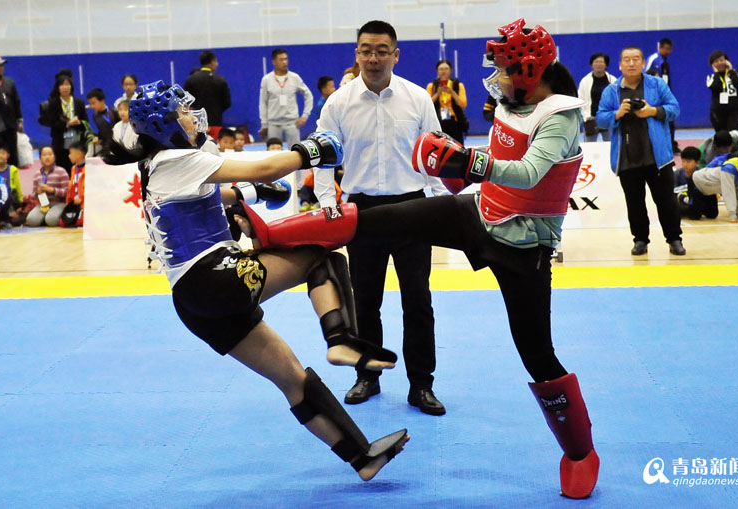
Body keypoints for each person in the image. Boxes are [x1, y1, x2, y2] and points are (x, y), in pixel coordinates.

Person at [253, 18, 599, 499]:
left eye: (504, 69)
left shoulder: (561, 115)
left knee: (536, 353)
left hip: (524, 247)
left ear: (528, 71)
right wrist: (459, 167)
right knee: (378, 221)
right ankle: (271, 232)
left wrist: (464, 162)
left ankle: (580, 452)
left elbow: (528, 172)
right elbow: (494, 159)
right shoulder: (512, 102)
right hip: (479, 212)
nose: (497, 78)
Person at [102, 79, 408, 481]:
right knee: (320, 255)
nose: (192, 117)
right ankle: (340, 340)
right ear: (165, 125)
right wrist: (309, 151)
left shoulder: (156, 165)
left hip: (193, 302)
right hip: (214, 277)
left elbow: (210, 195)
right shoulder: (178, 158)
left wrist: (251, 193)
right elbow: (266, 165)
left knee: (292, 378)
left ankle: (362, 459)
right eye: (182, 113)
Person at [314, 20, 449, 416]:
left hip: (412, 208)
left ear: (395, 55)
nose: (373, 58)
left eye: (381, 51)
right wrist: (327, 202)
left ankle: (421, 385)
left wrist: (442, 205)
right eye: (366, 50)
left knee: (418, 302)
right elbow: (321, 157)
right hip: (363, 212)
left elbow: (436, 154)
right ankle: (367, 376)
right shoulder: (338, 103)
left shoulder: (417, 98)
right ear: (356, 53)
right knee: (365, 302)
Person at [596, 46, 684, 256]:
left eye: (636, 59)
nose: (631, 63)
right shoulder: (611, 91)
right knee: (634, 204)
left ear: (643, 63)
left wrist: (653, 111)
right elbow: (600, 118)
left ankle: (674, 239)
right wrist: (617, 114)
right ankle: (640, 240)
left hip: (658, 158)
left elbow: (675, 109)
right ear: (620, 65)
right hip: (627, 158)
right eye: (626, 60)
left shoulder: (657, 84)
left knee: (667, 202)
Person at [258, 48, 313, 148]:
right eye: (281, 59)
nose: (284, 62)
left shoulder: (294, 77)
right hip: (273, 123)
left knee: (296, 150)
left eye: (286, 59)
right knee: (273, 152)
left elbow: (308, 95)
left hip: (292, 123)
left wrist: (305, 115)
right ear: (274, 62)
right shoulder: (266, 79)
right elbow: (263, 103)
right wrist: (264, 124)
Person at [691, 149, 738, 222]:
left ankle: (698, 205)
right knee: (695, 216)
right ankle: (685, 200)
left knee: (712, 215)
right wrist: (732, 215)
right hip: (696, 183)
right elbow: (728, 192)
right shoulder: (729, 168)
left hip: (709, 191)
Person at [40, 73, 90, 172]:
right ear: (58, 87)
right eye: (62, 85)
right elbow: (52, 123)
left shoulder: (79, 103)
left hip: (76, 142)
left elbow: (86, 123)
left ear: (71, 86)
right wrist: (68, 124)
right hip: (60, 142)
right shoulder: (53, 103)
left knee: (78, 169)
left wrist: (78, 122)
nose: (65, 87)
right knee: (62, 169)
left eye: (67, 84)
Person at [184, 50, 232, 141]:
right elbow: (227, 103)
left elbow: (185, 102)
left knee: (197, 147)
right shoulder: (220, 80)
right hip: (215, 122)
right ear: (212, 62)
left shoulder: (191, 79)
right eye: (216, 61)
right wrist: (216, 111)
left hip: (195, 123)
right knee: (214, 146)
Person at [0, 56, 23, 167]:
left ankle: (13, 176)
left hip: (10, 126)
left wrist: (20, 120)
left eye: (2, 65)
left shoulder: (9, 82)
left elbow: (16, 102)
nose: (2, 67)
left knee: (12, 155)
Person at [645, 38, 678, 153]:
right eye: (666, 49)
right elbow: (644, 74)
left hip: (665, 96)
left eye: (670, 49)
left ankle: (671, 145)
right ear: (660, 48)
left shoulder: (665, 62)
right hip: (655, 98)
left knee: (670, 120)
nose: (668, 51)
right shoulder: (653, 59)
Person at [26, 146, 69, 227]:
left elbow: (67, 192)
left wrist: (52, 190)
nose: (47, 157)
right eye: (44, 155)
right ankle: (45, 218)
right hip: (43, 204)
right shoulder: (37, 174)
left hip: (59, 203)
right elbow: (33, 195)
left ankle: (48, 217)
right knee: (31, 220)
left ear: (54, 157)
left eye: (50, 154)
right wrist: (38, 192)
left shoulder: (61, 171)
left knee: (51, 221)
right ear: (40, 158)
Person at [427, 59, 468, 143]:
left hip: (455, 122)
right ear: (437, 71)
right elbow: (427, 105)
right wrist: (437, 94)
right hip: (438, 121)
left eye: (446, 69)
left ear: (451, 70)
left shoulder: (458, 85)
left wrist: (452, 92)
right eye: (441, 69)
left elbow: (463, 104)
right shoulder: (432, 86)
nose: (443, 71)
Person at [577, 52, 616, 142]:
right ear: (591, 64)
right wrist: (586, 116)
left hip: (607, 118)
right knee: (589, 146)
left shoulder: (613, 80)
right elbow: (581, 100)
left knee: (610, 144)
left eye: (601, 62)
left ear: (606, 65)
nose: (599, 64)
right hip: (591, 119)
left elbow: (616, 99)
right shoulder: (585, 81)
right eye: (596, 62)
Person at [707, 50, 738, 132]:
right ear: (712, 64)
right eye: (716, 61)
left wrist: (731, 70)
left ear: (727, 61)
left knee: (734, 134)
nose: (719, 63)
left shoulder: (737, 72)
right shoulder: (711, 77)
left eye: (721, 60)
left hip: (735, 110)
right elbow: (714, 87)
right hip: (718, 111)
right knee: (721, 135)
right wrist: (716, 74)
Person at [0, 146, 25, 226]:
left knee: (16, 219)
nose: (0, 156)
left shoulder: (12, 169)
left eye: (3, 153)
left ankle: (6, 218)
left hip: (10, 201)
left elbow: (18, 187)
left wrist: (21, 203)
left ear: (8, 155)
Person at [60, 141, 87, 227]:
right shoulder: (73, 169)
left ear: (79, 155)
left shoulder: (89, 168)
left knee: (80, 222)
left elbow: (90, 188)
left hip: (84, 203)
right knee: (63, 222)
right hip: (74, 203)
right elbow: (72, 187)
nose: (69, 156)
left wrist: (82, 198)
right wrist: (69, 203)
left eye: (71, 153)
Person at [87, 88, 119, 158]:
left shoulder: (114, 112)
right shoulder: (95, 116)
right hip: (105, 147)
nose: (92, 106)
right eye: (90, 104)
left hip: (118, 146)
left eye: (94, 103)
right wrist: (98, 138)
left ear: (102, 100)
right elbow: (102, 131)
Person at [674, 146, 704, 218]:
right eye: (683, 161)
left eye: (688, 161)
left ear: (697, 162)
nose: (685, 164)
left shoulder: (702, 173)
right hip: (682, 201)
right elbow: (673, 190)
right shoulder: (677, 173)